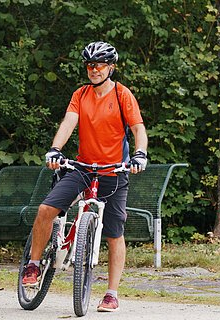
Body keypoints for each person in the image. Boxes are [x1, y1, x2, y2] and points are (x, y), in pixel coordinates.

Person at [21, 41, 148, 312]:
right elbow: (68, 122)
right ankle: (33, 263)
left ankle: (112, 293)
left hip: (114, 170)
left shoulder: (123, 94)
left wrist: (140, 155)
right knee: (46, 209)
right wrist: (55, 149)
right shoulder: (81, 94)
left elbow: (138, 129)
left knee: (114, 233)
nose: (94, 69)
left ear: (111, 67)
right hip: (83, 168)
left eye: (100, 64)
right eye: (90, 65)